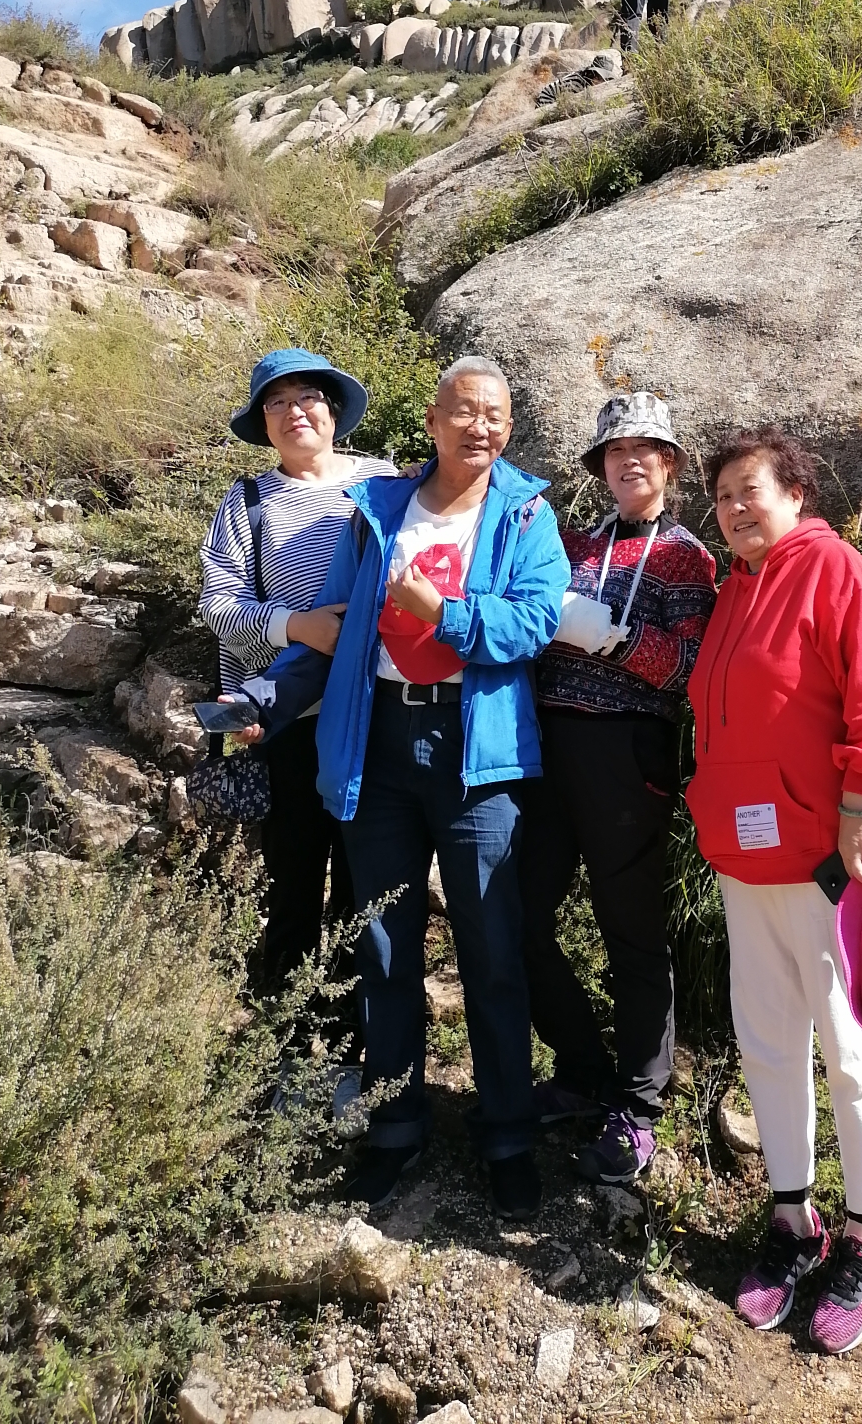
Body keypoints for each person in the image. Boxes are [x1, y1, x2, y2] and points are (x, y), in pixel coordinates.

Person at [228, 356, 569, 1221]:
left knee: (493, 949)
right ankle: (394, 1125)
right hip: (379, 742)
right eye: (463, 411)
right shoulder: (380, 508)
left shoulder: (527, 512)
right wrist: (266, 697)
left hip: (476, 753)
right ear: (432, 419)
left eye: (493, 414)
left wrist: (441, 613)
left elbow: (534, 622)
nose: (478, 427)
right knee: (382, 945)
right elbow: (334, 632)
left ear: (509, 426)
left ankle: (506, 1135)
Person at [685, 426, 862, 1357]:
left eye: (752, 490)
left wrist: (861, 807)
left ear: (794, 492)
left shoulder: (832, 571)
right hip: (748, 863)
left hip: (835, 858)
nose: (737, 509)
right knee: (769, 1041)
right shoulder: (729, 591)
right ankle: (794, 1219)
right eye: (723, 498)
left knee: (852, 1048)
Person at [521, 393, 718, 1184]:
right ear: (599, 466)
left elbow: (690, 667)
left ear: (668, 464)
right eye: (614, 451)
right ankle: (579, 1070)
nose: (629, 461)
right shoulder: (568, 544)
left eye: (647, 449)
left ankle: (638, 1106)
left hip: (628, 754)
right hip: (545, 747)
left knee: (630, 932)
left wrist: (612, 635)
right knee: (519, 919)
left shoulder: (687, 558)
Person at [199, 348, 402, 993]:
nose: (294, 413)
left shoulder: (383, 483)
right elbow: (216, 604)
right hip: (284, 724)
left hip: (370, 715)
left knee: (360, 884)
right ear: (263, 423)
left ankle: (348, 1040)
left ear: (335, 411)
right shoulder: (247, 501)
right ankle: (284, 1044)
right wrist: (299, 627)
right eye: (277, 403)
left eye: (307, 398)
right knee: (291, 879)